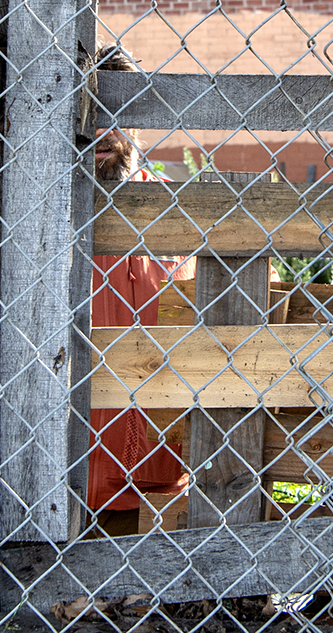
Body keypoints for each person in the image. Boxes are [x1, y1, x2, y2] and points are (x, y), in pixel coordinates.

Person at [88, 44, 191, 536]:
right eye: (89, 115)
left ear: (137, 125)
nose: (101, 134)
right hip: (63, 485)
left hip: (162, 488)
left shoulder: (179, 215)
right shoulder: (44, 223)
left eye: (117, 116)